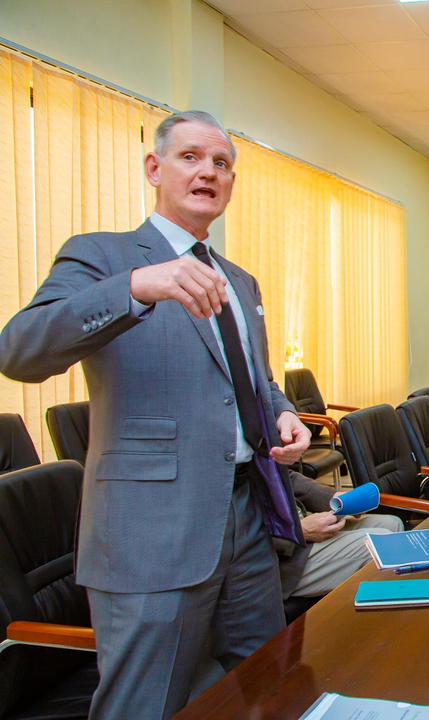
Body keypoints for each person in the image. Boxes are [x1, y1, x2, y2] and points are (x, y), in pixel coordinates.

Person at [0, 110, 312, 718]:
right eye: (190, 157)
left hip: (248, 521)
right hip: (151, 533)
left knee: (269, 688)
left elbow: (257, 383)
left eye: (221, 163)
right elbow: (19, 351)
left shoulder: (240, 282)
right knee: (143, 705)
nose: (208, 172)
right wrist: (136, 287)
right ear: (154, 168)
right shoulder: (104, 256)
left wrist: (284, 414)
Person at [280, 471, 403, 599]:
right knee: (384, 545)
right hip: (281, 555)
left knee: (392, 523)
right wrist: (299, 530)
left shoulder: (268, 460)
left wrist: (334, 498)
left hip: (295, 523)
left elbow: (287, 477)